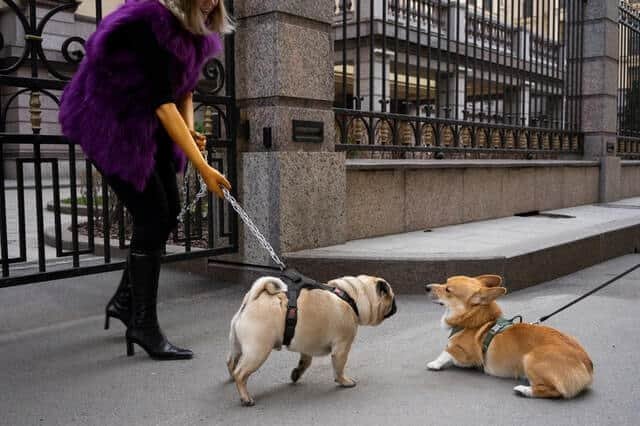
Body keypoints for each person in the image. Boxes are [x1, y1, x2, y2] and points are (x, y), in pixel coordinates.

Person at [59, 0, 233, 360]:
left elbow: (183, 91)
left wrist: (189, 130)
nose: (212, 1)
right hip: (111, 123)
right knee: (152, 213)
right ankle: (143, 324)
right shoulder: (148, 23)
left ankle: (125, 302)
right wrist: (204, 167)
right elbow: (161, 102)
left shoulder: (193, 32)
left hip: (149, 126)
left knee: (165, 214)